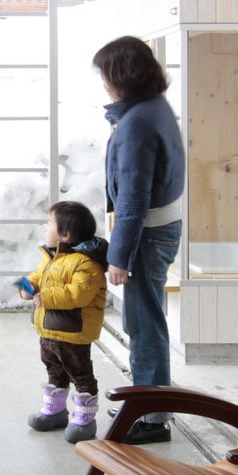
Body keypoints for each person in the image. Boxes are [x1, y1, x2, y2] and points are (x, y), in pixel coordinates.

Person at [94, 35, 186, 445]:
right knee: (146, 318)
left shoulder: (138, 123)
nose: (103, 84)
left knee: (144, 323)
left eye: (106, 76)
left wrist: (119, 256)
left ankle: (152, 417)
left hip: (147, 232)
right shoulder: (151, 109)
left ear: (122, 76)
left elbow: (133, 199)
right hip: (158, 226)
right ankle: (144, 400)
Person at [20, 201, 110, 443]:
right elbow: (38, 277)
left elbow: (78, 294)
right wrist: (28, 287)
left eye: (49, 224)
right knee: (53, 369)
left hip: (73, 332)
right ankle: (55, 410)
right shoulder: (51, 257)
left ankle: (85, 419)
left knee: (80, 374)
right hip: (49, 330)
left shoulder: (86, 264)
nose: (44, 229)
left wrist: (45, 297)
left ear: (66, 234)